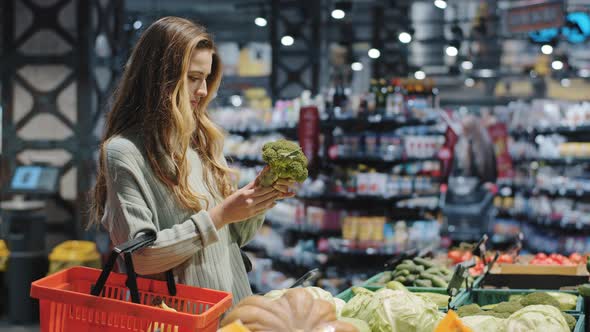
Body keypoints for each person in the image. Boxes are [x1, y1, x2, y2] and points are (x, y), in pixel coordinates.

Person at [90, 17, 296, 305]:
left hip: (233, 308)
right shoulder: (125, 152)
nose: (202, 90)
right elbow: (140, 258)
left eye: (206, 78)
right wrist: (220, 215)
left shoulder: (201, 141)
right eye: (192, 77)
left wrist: (259, 197)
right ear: (159, 76)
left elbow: (233, 237)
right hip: (180, 317)